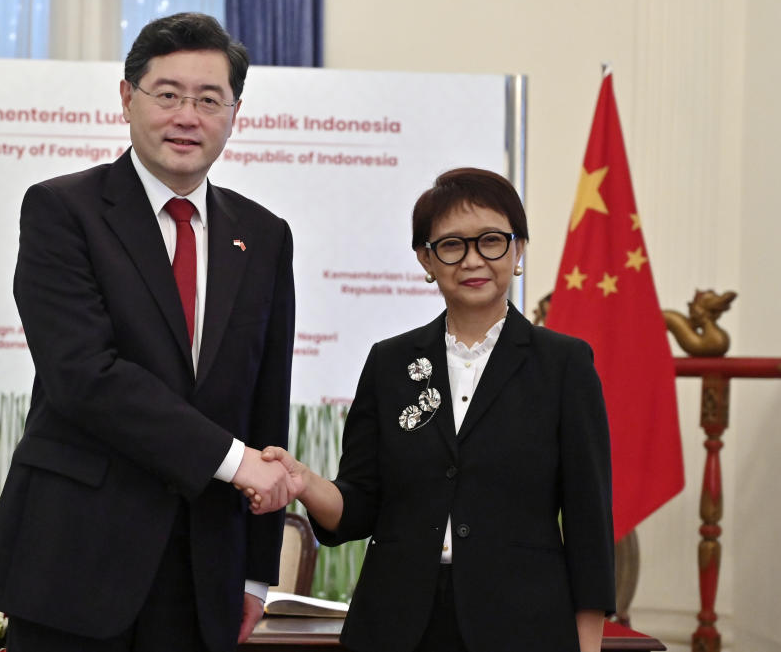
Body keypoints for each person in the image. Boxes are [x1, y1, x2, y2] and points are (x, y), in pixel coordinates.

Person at [0, 13, 296, 652]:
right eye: (167, 94)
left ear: (235, 112)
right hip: (76, 563)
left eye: (209, 99)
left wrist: (257, 573)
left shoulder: (264, 235)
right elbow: (83, 377)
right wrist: (233, 464)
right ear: (126, 98)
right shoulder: (63, 211)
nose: (187, 116)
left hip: (204, 572)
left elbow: (267, 402)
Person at [254, 168, 615, 652]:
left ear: (519, 248)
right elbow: (359, 509)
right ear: (426, 258)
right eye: (451, 245)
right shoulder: (389, 362)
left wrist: (587, 644)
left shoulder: (564, 364)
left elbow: (589, 521)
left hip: (522, 624)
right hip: (396, 624)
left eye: (491, 240)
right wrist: (305, 483)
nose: (472, 260)